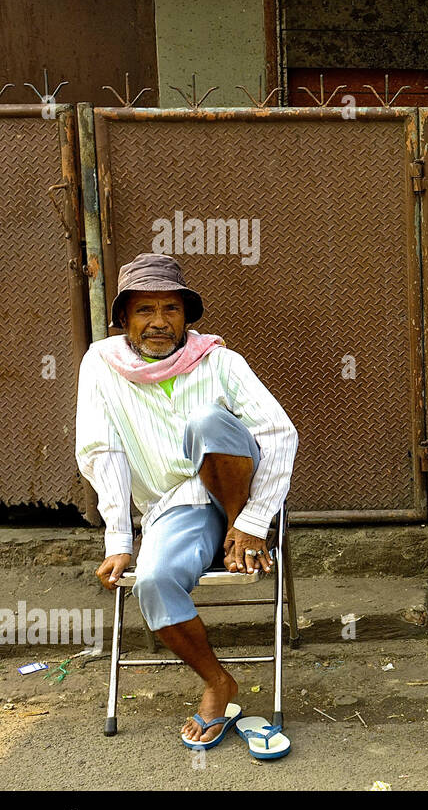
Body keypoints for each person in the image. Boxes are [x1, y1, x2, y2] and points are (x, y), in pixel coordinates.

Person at [75, 253, 298, 748]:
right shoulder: (101, 365)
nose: (159, 322)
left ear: (186, 316)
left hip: (243, 497)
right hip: (178, 508)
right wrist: (119, 538)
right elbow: (100, 449)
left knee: (206, 422)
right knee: (153, 581)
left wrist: (256, 519)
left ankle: (243, 531)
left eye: (171, 309)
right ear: (124, 320)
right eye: (144, 311)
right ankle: (218, 681)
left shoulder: (220, 359)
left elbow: (279, 435)